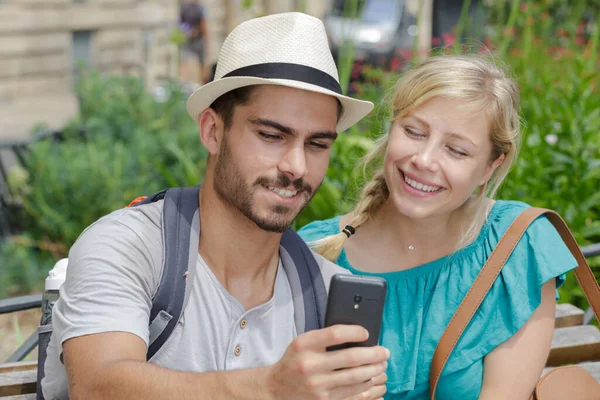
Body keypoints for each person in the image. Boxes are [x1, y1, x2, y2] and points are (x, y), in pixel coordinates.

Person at [41, 12, 391, 400]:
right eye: (272, 135)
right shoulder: (130, 246)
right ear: (212, 131)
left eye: (317, 144)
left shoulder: (323, 293)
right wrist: (271, 387)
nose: (296, 166)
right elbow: (97, 386)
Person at [298, 55, 578, 400]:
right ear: (392, 127)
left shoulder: (517, 247)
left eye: (457, 151)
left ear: (490, 167)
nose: (424, 160)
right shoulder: (314, 252)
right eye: (414, 132)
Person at [179, 1, 209, 83]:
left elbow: (180, 24)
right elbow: (204, 26)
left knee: (184, 64)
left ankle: (182, 85)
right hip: (199, 39)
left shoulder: (184, 7)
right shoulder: (201, 8)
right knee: (202, 65)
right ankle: (204, 86)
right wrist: (207, 44)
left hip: (187, 39)